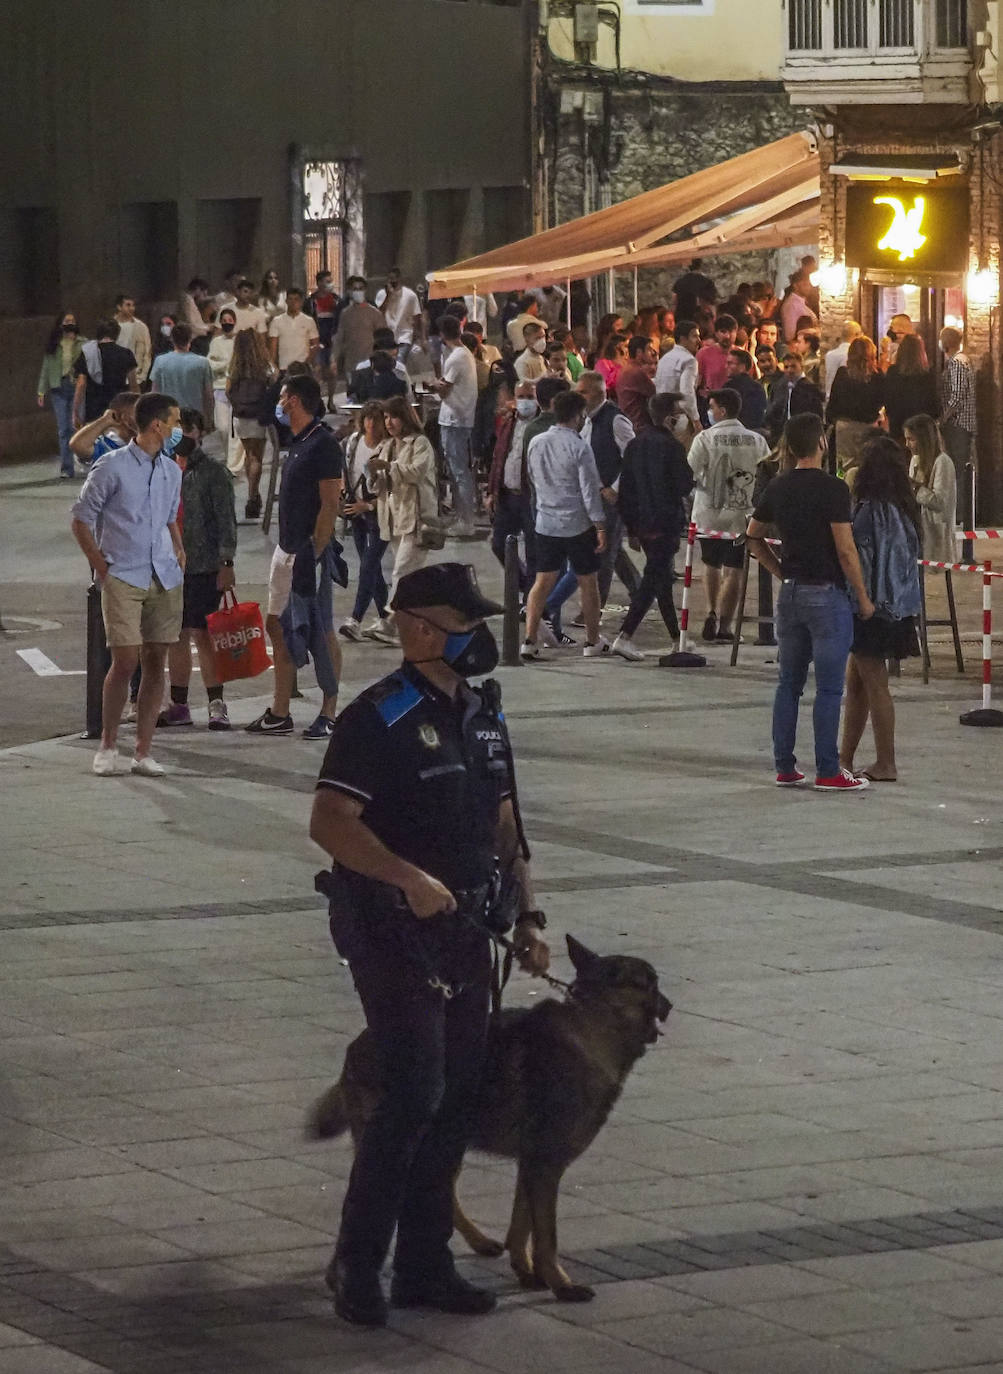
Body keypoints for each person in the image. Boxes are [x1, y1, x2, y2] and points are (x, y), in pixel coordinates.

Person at [310, 561, 549, 1328]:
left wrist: (530, 919)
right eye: (462, 622)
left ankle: (422, 1265)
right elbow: (330, 824)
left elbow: (507, 824)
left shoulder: (483, 713)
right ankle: (357, 1264)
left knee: (455, 1097)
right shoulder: (377, 718)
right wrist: (405, 875)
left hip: (468, 930)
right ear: (416, 628)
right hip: (388, 927)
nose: (477, 635)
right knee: (413, 1090)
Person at [747, 412, 875, 792]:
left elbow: (752, 537)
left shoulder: (778, 487)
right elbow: (846, 549)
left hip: (790, 593)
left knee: (789, 683)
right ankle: (828, 769)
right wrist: (864, 597)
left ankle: (785, 766)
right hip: (826, 595)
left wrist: (778, 570)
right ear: (821, 443)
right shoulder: (833, 489)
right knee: (830, 688)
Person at [70, 392, 185, 778]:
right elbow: (81, 519)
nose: (177, 429)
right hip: (123, 573)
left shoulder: (171, 470)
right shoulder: (111, 466)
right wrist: (102, 567)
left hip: (164, 574)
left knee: (156, 660)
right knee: (125, 660)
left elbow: (170, 517)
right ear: (157, 424)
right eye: (174, 421)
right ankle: (107, 744)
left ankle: (143, 751)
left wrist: (179, 551)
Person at [247, 373, 344, 739]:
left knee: (322, 630)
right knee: (278, 625)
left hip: (306, 554)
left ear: (296, 400)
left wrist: (315, 554)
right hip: (285, 550)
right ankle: (280, 710)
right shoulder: (297, 441)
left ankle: (329, 710)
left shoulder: (323, 444)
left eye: (284, 397)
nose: (279, 403)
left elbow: (330, 504)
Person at [839, 436, 922, 782]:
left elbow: (860, 559)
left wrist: (857, 600)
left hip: (870, 607)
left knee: (874, 684)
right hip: (899, 607)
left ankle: (886, 762)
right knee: (857, 681)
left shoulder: (867, 511)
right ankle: (844, 758)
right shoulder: (905, 510)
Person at [156, 408, 237, 731]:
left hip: (203, 566)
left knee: (205, 636)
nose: (182, 435)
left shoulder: (214, 472)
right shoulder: (162, 468)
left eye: (187, 428)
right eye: (177, 427)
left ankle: (217, 704)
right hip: (169, 566)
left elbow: (225, 522)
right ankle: (179, 704)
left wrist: (226, 563)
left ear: (199, 433)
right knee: (176, 636)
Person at [521, 390, 609, 661]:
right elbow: (589, 490)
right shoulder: (580, 446)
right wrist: (600, 525)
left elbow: (533, 478)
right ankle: (592, 640)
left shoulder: (537, 441)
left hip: (546, 521)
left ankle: (529, 639)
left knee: (542, 581)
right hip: (576, 524)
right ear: (578, 415)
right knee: (588, 582)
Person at [611, 391, 694, 661]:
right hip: (665, 521)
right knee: (653, 579)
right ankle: (625, 636)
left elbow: (626, 488)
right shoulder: (672, 447)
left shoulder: (636, 444)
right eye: (680, 413)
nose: (683, 419)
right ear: (670, 418)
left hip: (643, 523)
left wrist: (631, 527)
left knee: (660, 579)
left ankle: (676, 638)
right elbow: (684, 484)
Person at [687, 388, 770, 643]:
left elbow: (690, 470)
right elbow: (766, 473)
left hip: (709, 512)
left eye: (711, 407)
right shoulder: (755, 440)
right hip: (741, 515)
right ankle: (725, 625)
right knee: (734, 569)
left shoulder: (705, 438)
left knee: (710, 563)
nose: (709, 412)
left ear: (722, 410)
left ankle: (711, 609)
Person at [577, 369, 639, 608]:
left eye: (583, 392)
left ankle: (595, 607)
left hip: (609, 497)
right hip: (592, 494)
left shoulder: (615, 419)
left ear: (598, 393)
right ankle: (638, 588)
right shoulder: (587, 420)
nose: (579, 396)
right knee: (610, 547)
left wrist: (615, 488)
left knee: (603, 552)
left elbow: (633, 457)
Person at [369, 396, 440, 597]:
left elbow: (416, 472)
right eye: (386, 417)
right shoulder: (387, 446)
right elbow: (378, 486)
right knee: (412, 577)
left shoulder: (420, 443)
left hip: (415, 518)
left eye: (394, 417)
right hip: (393, 517)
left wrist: (389, 467)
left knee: (401, 573)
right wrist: (373, 475)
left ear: (405, 418)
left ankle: (390, 622)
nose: (388, 423)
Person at [339, 402, 394, 644]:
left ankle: (355, 619)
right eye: (367, 419)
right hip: (355, 510)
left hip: (378, 512)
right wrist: (344, 493)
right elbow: (345, 467)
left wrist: (368, 505)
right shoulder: (353, 442)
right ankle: (385, 618)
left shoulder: (388, 448)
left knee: (368, 564)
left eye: (376, 419)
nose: (371, 424)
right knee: (369, 566)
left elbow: (391, 487)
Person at [428, 315, 478, 538]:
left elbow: (445, 389)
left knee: (459, 472)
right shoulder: (464, 353)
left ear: (441, 335)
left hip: (455, 419)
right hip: (461, 417)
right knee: (458, 470)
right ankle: (461, 516)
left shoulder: (456, 357)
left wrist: (433, 385)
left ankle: (466, 521)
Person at [487, 380, 538, 595]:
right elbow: (499, 456)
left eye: (529, 396)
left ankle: (534, 600)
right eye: (521, 397)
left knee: (534, 551)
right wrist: (492, 492)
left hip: (530, 497)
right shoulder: (509, 423)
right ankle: (528, 587)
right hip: (508, 496)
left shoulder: (540, 426)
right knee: (499, 544)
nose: (525, 401)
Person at [226, 329, 274, 521]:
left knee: (248, 454)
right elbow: (274, 383)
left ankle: (252, 493)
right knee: (257, 456)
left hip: (241, 415)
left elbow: (228, 390)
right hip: (258, 414)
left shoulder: (235, 366)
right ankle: (253, 497)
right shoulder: (264, 366)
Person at [826, 336, 884, 484]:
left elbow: (833, 401)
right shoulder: (878, 377)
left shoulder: (842, 374)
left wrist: (831, 420)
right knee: (866, 467)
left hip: (845, 428)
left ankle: (843, 491)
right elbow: (881, 402)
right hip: (869, 428)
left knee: (842, 467)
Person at [904, 413, 957, 565]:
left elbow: (940, 502)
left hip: (935, 532)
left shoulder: (943, 462)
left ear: (924, 439)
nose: (907, 445)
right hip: (917, 528)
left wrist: (914, 487)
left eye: (911, 439)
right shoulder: (915, 460)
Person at [38, 312, 85, 478]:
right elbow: (46, 367)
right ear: (60, 324)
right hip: (58, 387)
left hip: (76, 386)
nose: (70, 323)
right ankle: (66, 467)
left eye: (72, 321)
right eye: (66, 321)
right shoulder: (54, 344)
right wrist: (41, 390)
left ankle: (82, 459)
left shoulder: (82, 342)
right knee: (63, 429)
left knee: (77, 426)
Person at [938, 326, 977, 516]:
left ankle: (960, 513)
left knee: (958, 469)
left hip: (958, 424)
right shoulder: (962, 361)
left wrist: (943, 417)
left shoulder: (957, 363)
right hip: (961, 423)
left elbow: (957, 395)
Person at [72, 319, 137, 427]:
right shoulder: (126, 354)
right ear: (116, 334)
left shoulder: (88, 354)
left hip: (94, 410)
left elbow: (81, 384)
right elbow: (133, 385)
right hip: (119, 410)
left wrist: (75, 411)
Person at [150, 323, 214, 420]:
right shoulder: (202, 363)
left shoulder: (160, 361)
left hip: (168, 417)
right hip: (194, 418)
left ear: (172, 339)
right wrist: (209, 418)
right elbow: (208, 395)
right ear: (190, 338)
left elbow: (155, 392)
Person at [883, 334, 938, 442]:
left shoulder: (893, 372)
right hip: (922, 429)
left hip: (898, 427)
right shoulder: (927, 375)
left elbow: (888, 400)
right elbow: (933, 403)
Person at [764, 352, 824, 447]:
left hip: (804, 436)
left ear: (802, 366)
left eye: (793, 366)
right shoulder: (779, 387)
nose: (789, 370)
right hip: (783, 435)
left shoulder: (810, 388)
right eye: (786, 367)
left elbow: (817, 416)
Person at [655, 320, 702, 437]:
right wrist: (696, 420)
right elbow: (687, 392)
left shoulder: (665, 358)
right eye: (694, 336)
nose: (699, 341)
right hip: (680, 420)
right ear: (683, 338)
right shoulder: (689, 360)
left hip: (661, 419)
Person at [69, 391, 139, 468]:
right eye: (138, 413)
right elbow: (78, 445)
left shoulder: (147, 443)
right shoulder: (107, 446)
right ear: (120, 417)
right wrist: (105, 420)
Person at [333, 277, 385, 379]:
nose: (358, 291)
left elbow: (382, 339)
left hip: (370, 363)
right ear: (350, 291)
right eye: (355, 289)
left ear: (365, 290)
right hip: (351, 364)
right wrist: (334, 359)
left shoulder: (374, 313)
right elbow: (339, 338)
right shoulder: (345, 314)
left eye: (360, 288)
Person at [208, 307, 240, 470]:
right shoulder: (215, 342)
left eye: (230, 320)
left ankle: (233, 464)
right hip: (219, 388)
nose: (227, 323)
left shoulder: (239, 341)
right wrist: (225, 366)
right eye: (224, 321)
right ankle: (229, 458)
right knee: (222, 427)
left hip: (236, 389)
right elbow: (210, 363)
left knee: (235, 429)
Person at [309, 269, 342, 409]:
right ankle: (317, 400)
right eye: (327, 281)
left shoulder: (336, 300)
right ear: (319, 283)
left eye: (331, 281)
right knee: (317, 371)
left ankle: (331, 400)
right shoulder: (311, 301)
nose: (330, 284)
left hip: (331, 339)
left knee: (332, 372)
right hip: (317, 339)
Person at [268, 286, 319, 372]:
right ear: (286, 301)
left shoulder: (309, 321)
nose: (293, 302)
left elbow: (315, 344)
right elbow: (273, 347)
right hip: (284, 367)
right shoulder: (277, 321)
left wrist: (308, 362)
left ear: (301, 302)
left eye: (296, 299)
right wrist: (273, 366)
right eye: (290, 299)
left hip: (303, 367)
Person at [376, 267, 422, 355]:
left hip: (404, 335)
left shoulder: (410, 295)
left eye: (393, 279)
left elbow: (416, 316)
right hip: (387, 336)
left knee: (400, 362)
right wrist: (388, 296)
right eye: (389, 279)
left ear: (399, 279)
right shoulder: (382, 294)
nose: (391, 282)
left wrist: (416, 336)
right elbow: (379, 313)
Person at [616, 336, 657, 432]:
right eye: (649, 349)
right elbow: (655, 393)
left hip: (629, 422)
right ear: (639, 352)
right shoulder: (636, 372)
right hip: (639, 425)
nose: (652, 353)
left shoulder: (625, 369)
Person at [696, 315, 738, 405]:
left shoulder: (742, 354)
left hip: (735, 405)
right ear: (716, 333)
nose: (727, 336)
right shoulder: (703, 354)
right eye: (723, 332)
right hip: (710, 405)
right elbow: (696, 384)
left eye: (731, 332)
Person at [724, 349, 767, 430]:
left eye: (730, 363)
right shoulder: (758, 387)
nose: (726, 366)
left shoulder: (728, 388)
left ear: (742, 367)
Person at [113, 294, 152, 384]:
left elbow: (147, 353)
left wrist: (143, 377)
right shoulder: (111, 325)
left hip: (135, 378)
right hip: (115, 377)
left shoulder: (141, 327)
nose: (132, 308)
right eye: (128, 305)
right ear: (119, 307)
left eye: (133, 305)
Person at [822, 320, 862, 400]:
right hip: (845, 399)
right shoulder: (852, 355)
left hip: (829, 397)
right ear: (856, 335)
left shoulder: (829, 355)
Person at [780, 270, 818, 343]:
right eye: (805, 284)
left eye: (809, 285)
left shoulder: (801, 302)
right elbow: (790, 335)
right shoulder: (791, 305)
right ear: (795, 285)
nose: (808, 288)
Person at [595, 331, 629, 400]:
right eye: (626, 346)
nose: (628, 350)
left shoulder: (628, 364)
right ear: (618, 347)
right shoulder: (603, 363)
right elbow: (606, 385)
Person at [180, 278, 213, 345]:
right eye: (204, 294)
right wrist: (209, 328)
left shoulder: (189, 300)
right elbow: (192, 325)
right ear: (197, 289)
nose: (204, 297)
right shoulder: (187, 301)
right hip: (191, 339)